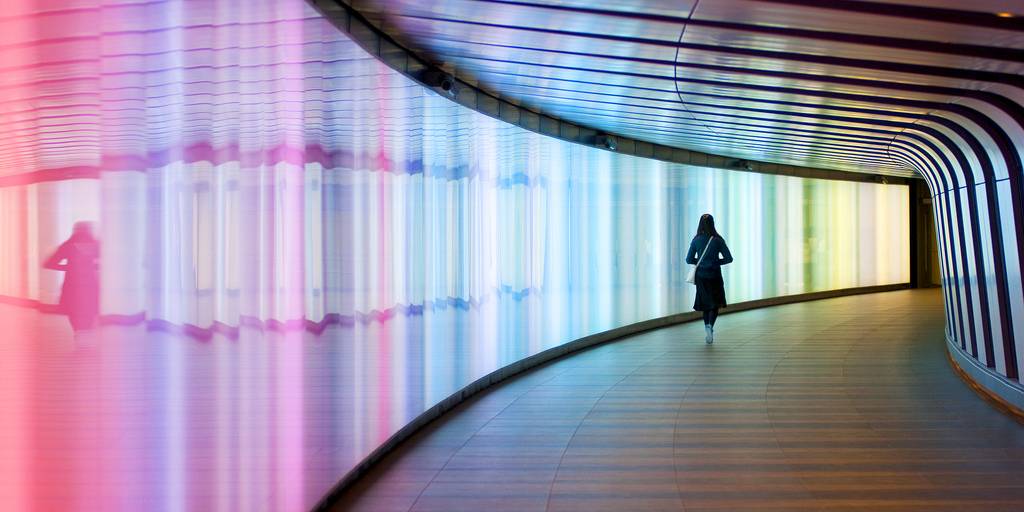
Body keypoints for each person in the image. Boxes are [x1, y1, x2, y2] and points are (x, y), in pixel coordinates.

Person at [43, 222, 100, 332]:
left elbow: (48, 263)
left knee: (73, 312)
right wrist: (92, 266)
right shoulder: (96, 246)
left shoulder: (68, 246)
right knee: (90, 311)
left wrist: (67, 267)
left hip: (72, 285)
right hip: (90, 285)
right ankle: (85, 336)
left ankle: (78, 336)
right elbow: (109, 262)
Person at [686, 214, 732, 344]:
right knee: (715, 303)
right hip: (715, 275)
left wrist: (701, 262)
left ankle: (707, 325)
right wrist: (715, 262)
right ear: (713, 223)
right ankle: (710, 325)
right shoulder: (718, 240)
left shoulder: (696, 240)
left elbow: (689, 259)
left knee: (706, 303)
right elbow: (729, 258)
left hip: (701, 276)